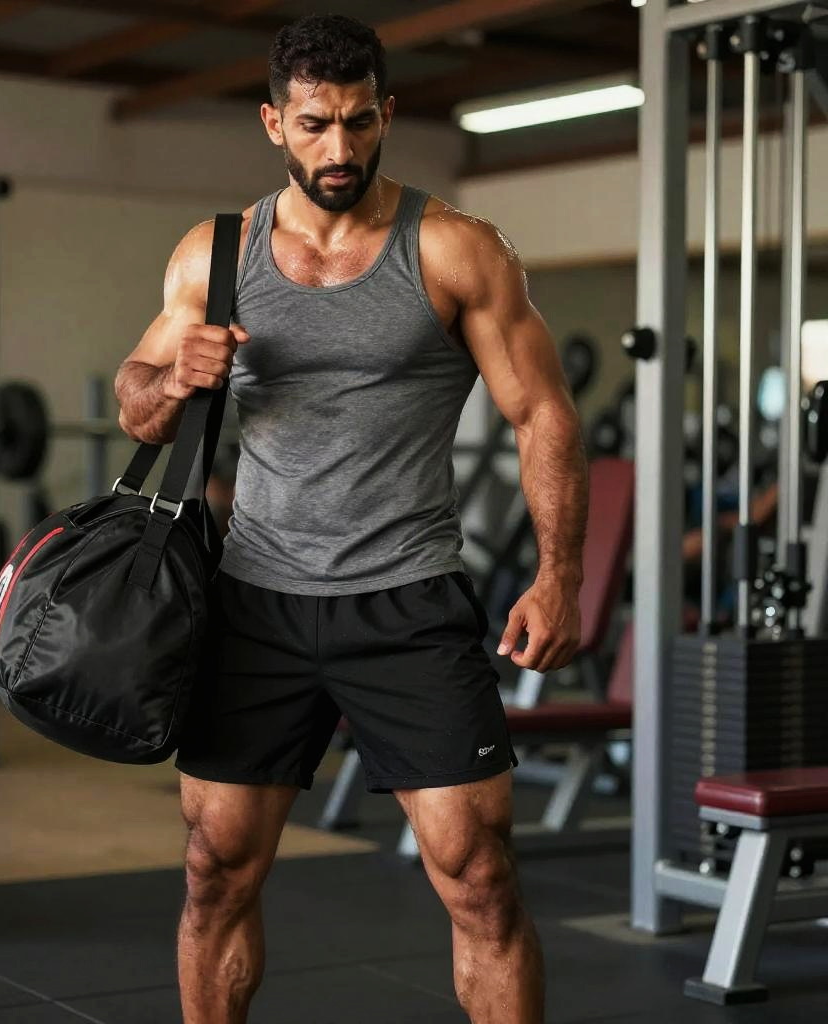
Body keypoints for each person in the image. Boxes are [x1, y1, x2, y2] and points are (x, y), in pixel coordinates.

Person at [114, 14, 587, 1024]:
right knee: (214, 870)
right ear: (273, 122)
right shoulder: (217, 251)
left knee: (479, 877)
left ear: (386, 112)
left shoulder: (455, 248)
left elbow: (542, 413)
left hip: (408, 601)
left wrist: (558, 578)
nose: (341, 148)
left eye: (360, 122)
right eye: (317, 124)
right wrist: (169, 377)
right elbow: (136, 400)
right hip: (254, 603)